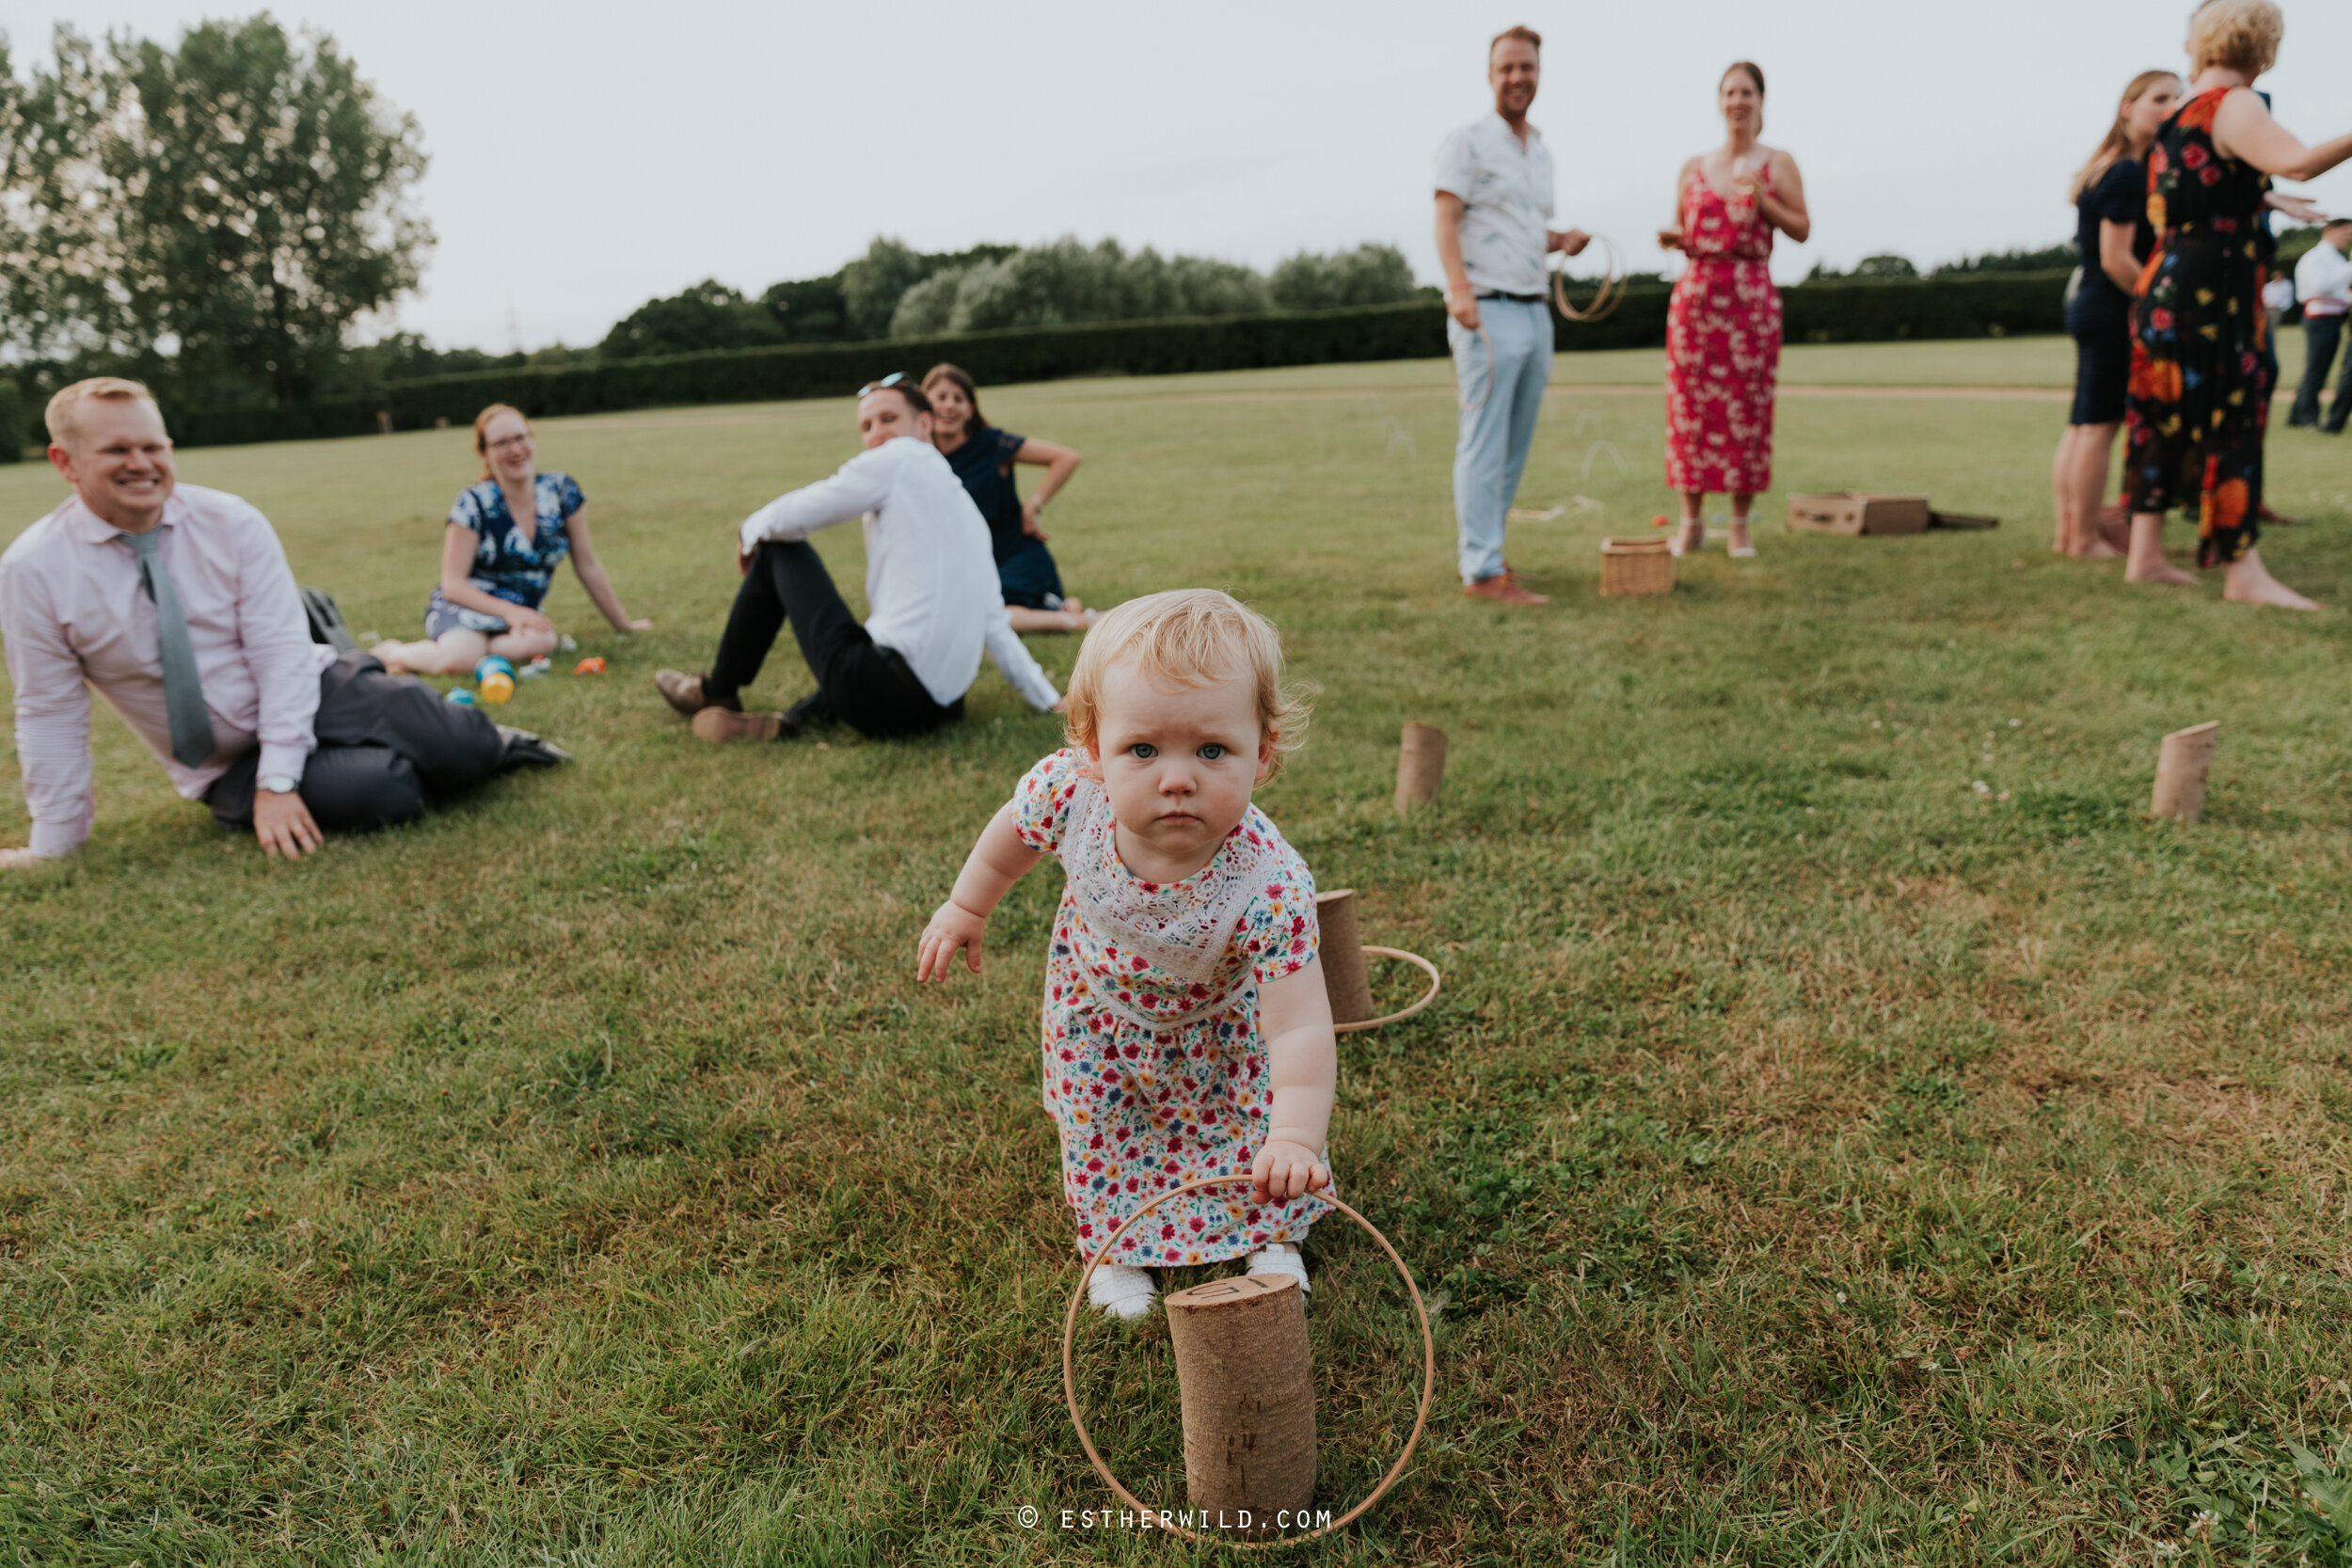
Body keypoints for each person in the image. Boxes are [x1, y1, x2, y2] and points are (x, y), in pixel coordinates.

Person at [914, 589, 1335, 1319]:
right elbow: (1012, 836)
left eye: (1213, 750)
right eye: (1142, 749)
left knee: (1244, 1127)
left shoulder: (1270, 885)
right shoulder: (1069, 792)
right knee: (1103, 1130)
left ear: (1261, 753)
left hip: (1218, 1034)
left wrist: (1296, 1134)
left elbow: (1298, 1026)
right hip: (1096, 1017)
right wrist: (966, 905)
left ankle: (1274, 1233)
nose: (1177, 777)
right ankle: (1118, 1245)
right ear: (1092, 748)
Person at [0, 379, 564, 868]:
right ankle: (372, 762)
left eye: (152, 446)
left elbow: (279, 653)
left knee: (459, 742)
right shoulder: (34, 571)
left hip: (317, 687)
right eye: (116, 449)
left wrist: (281, 780)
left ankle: (480, 742)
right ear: (65, 462)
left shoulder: (231, 522)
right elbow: (49, 709)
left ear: (170, 448)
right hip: (223, 764)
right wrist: (54, 842)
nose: (142, 463)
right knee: (383, 793)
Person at [653, 376, 1061, 741]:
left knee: (778, 546)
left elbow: (796, 515)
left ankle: (717, 689)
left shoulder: (902, 457)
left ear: (924, 425)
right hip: (940, 711)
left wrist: (748, 536)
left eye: (888, 419)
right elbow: (995, 624)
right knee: (870, 644)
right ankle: (792, 722)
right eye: (866, 426)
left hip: (879, 694)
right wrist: (1048, 699)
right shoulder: (970, 514)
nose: (876, 434)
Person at [2121, 0, 2352, 609]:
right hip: (2215, 291)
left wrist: (2265, 202)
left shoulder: (2180, 113)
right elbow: (2297, 162)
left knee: (2159, 417)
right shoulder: (2237, 102)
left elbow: (2198, 189)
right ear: (2265, 46)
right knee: (2232, 420)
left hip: (2164, 284)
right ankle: (2242, 572)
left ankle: (2144, 557)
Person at [1434, 24, 1591, 605]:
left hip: (1535, 311)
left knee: (1515, 443)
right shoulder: (1466, 142)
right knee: (1483, 441)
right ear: (1491, 74)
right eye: (1507, 68)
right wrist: (1458, 290)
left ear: (1538, 72)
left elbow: (1522, 230)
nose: (1518, 77)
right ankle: (1480, 571)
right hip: (1485, 310)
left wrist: (1561, 240)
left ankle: (1492, 556)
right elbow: (1446, 218)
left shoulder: (1541, 152)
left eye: (1527, 67)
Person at [372, 404, 649, 675]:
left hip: (521, 615)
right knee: (456, 662)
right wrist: (509, 612)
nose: (515, 450)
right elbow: (452, 585)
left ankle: (474, 651)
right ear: (484, 453)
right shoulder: (474, 504)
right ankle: (392, 652)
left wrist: (623, 624)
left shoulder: (562, 492)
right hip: (467, 606)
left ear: (532, 439)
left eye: (520, 438)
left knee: (543, 642)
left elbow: (587, 565)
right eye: (502, 443)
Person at [1660, 61, 1811, 559]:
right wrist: (1675, 238)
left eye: (1747, 92)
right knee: (1690, 413)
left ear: (1761, 101)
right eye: (1730, 92)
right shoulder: (1691, 166)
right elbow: (1685, 230)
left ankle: (1741, 525)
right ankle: (1691, 523)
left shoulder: (1779, 162)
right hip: (1697, 302)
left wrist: (1764, 201)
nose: (1737, 101)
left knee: (1747, 411)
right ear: (1719, 101)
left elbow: (1802, 228)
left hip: (1750, 301)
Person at [2051, 71, 2182, 562]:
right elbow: (2116, 258)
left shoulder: (2111, 165)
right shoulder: (2127, 172)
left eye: (2178, 99)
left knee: (2083, 425)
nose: (2170, 108)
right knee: (2099, 427)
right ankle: (2084, 539)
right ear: (2128, 107)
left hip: (2092, 303)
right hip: (2111, 306)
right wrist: (2155, 309)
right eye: (2159, 98)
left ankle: (2069, 533)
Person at [920, 364, 1096, 633]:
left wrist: (1032, 506)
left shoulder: (993, 445)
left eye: (959, 398)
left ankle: (1078, 620)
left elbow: (1066, 458)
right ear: (925, 407)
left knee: (982, 614)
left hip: (1017, 555)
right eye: (941, 397)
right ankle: (1057, 607)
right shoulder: (921, 457)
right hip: (972, 564)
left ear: (970, 409)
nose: (950, 405)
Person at [2287, 217, 2352, 429]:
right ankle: (2307, 416)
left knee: (2318, 368)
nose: (2349, 237)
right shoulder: (2316, 257)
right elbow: (2319, 287)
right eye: (2346, 232)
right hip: (2320, 318)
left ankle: (2297, 414)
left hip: (2333, 317)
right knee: (2316, 369)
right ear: (2330, 230)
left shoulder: (2335, 257)